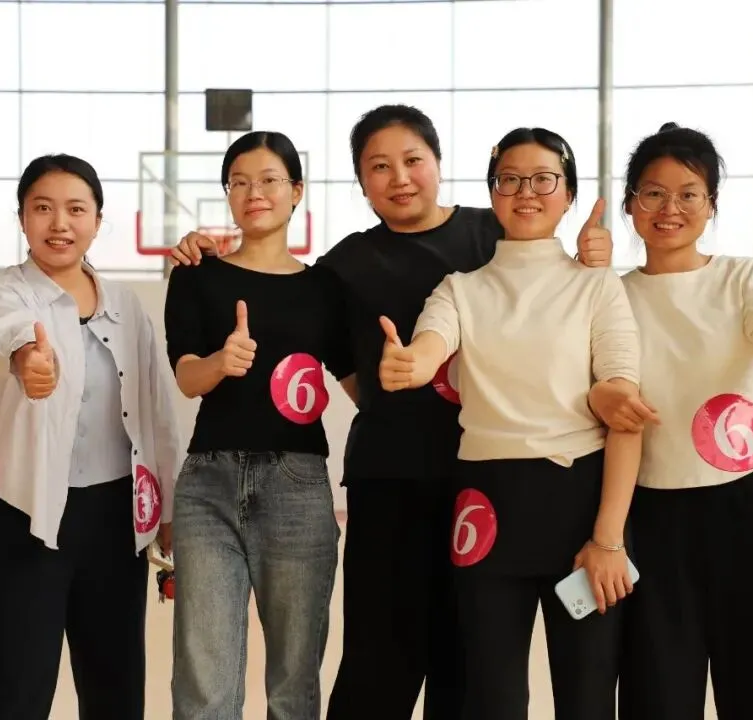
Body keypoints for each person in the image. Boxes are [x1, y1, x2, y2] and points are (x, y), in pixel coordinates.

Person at [163, 104, 614, 720]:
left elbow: (553, 287)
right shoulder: (342, 267)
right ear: (360, 180)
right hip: (390, 481)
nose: (399, 178)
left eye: (412, 160)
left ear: (438, 164)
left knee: (467, 658)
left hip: (485, 479)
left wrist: (589, 254)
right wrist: (199, 250)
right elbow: (342, 366)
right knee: (379, 658)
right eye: (379, 166)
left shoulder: (494, 234)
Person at [379, 127, 643, 720]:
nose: (527, 191)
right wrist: (411, 364)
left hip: (581, 506)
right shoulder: (460, 289)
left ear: (568, 194)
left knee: (587, 696)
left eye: (544, 179)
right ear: (493, 193)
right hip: (486, 508)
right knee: (491, 698)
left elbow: (625, 403)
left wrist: (608, 538)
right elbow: (431, 343)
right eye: (510, 180)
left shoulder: (597, 287)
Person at [586, 123, 753, 720]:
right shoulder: (609, 295)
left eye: (689, 194)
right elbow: (594, 391)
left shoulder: (743, 276)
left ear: (711, 204)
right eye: (653, 193)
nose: (670, 208)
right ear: (631, 203)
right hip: (654, 512)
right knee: (658, 694)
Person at [0, 154, 182, 720]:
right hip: (25, 515)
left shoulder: (126, 305)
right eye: (43, 208)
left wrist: (170, 510)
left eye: (76, 209)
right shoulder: (3, 294)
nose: (59, 223)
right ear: (22, 218)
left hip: (115, 519)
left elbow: (156, 411)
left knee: (115, 687)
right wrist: (26, 359)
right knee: (10, 688)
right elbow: (1, 334)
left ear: (98, 221)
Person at [164, 131, 353, 720]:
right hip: (208, 486)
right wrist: (222, 362)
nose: (254, 193)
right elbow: (186, 377)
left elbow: (358, 384)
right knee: (204, 683)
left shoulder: (326, 287)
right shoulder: (196, 274)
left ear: (297, 190)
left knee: (294, 682)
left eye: (269, 179)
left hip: (298, 486)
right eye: (240, 182)